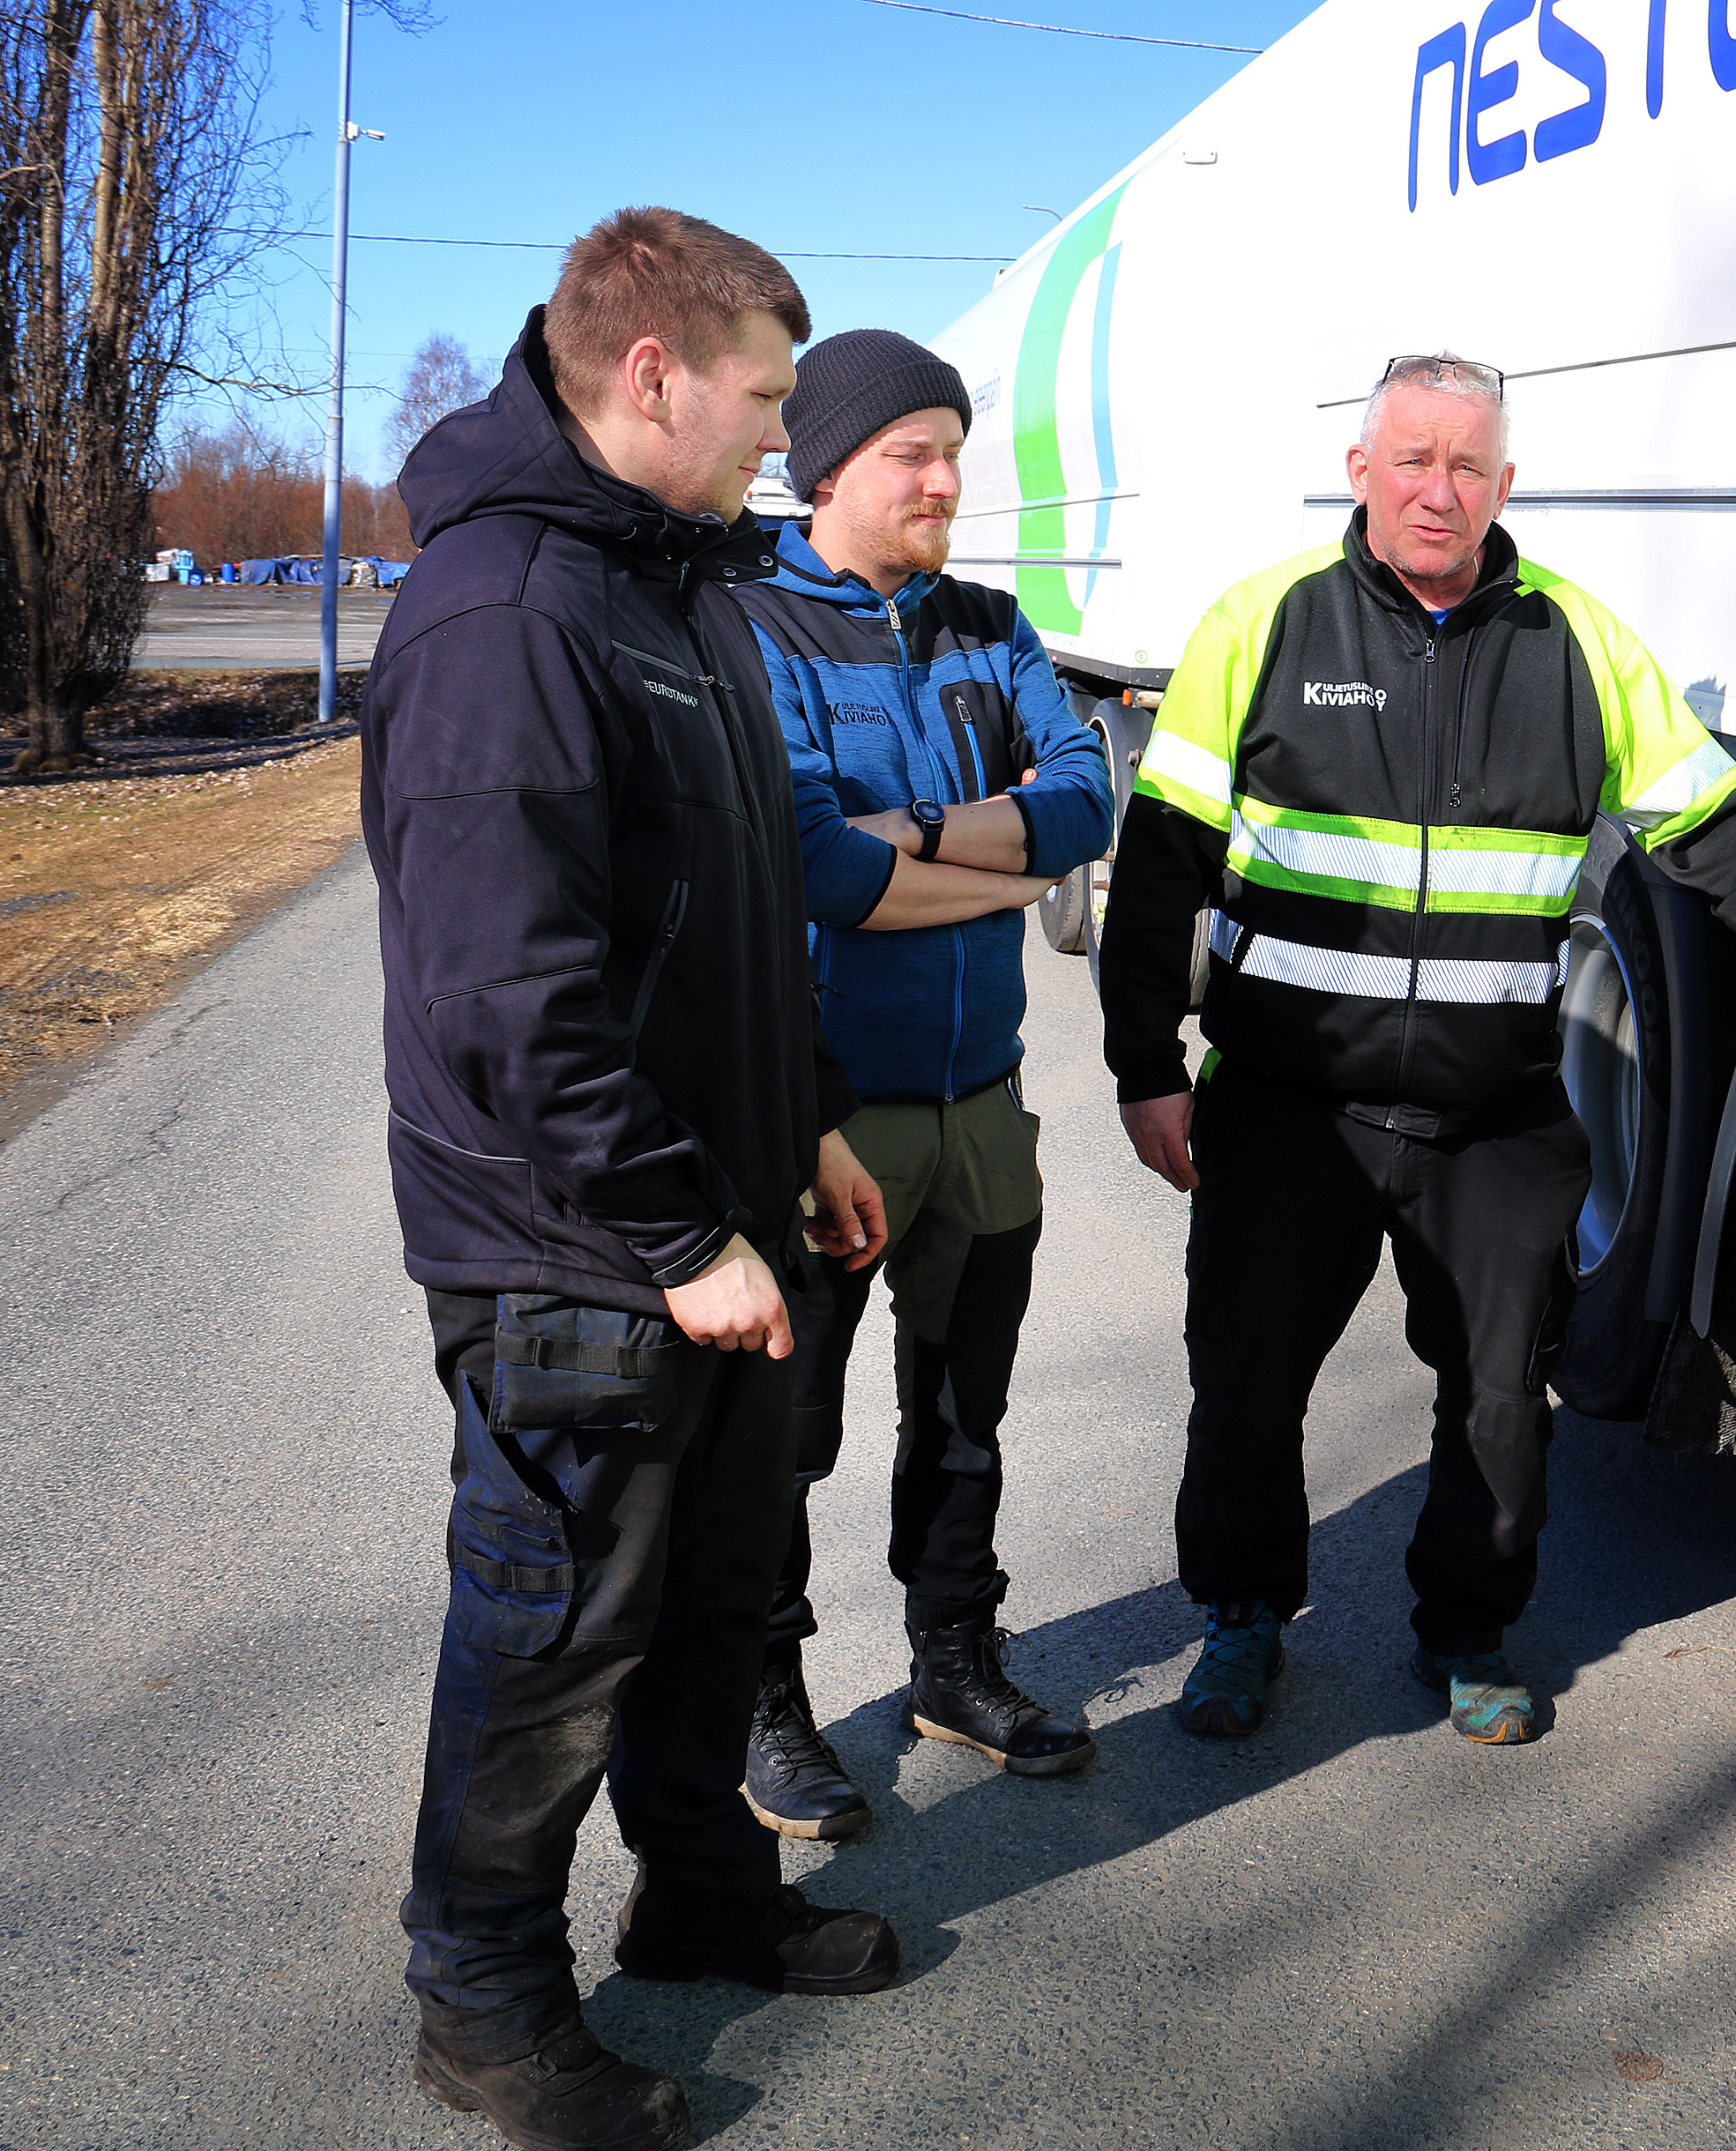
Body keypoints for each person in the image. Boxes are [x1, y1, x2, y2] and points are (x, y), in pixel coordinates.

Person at [1098, 353, 1736, 1747]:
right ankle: (1244, 1615)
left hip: (1492, 1112)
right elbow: (1159, 864)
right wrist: (1145, 1063)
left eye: (1467, 466)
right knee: (1248, 1383)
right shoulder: (1262, 624)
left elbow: (1712, 829)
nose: (1436, 490)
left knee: (1502, 1401)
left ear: (1505, 485)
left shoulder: (1577, 641)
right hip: (1287, 1105)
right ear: (1361, 470)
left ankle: (1469, 1631)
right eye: (1411, 460)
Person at [362, 208, 901, 2151]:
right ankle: (489, 2009)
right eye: (763, 396)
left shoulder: (673, 590)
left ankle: (701, 1894)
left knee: (711, 1595)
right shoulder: (509, 611)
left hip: (722, 1215)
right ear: (651, 370)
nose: (780, 434)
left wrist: (814, 1120)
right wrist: (678, 1232)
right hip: (578, 1253)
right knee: (552, 1628)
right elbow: (508, 993)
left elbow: (739, 909)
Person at [727, 330, 1117, 1833]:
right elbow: (812, 863)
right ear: (826, 466)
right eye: (918, 452)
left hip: (983, 1109)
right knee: (787, 1435)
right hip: (826, 1118)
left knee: (963, 1416)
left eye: (956, 446)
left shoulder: (988, 622)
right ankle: (769, 1701)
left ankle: (955, 1660)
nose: (952, 479)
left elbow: (1083, 808)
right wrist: (994, 858)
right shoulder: (755, 628)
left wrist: (920, 847)